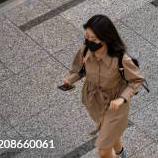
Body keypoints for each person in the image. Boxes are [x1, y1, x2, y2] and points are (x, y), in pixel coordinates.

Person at [61, 15, 144, 158]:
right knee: (109, 133)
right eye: (87, 37)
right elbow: (80, 70)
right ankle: (121, 153)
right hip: (94, 103)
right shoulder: (85, 51)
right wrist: (70, 79)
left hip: (115, 106)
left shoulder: (121, 59)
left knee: (103, 150)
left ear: (106, 38)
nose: (89, 42)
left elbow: (137, 80)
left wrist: (121, 99)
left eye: (94, 39)